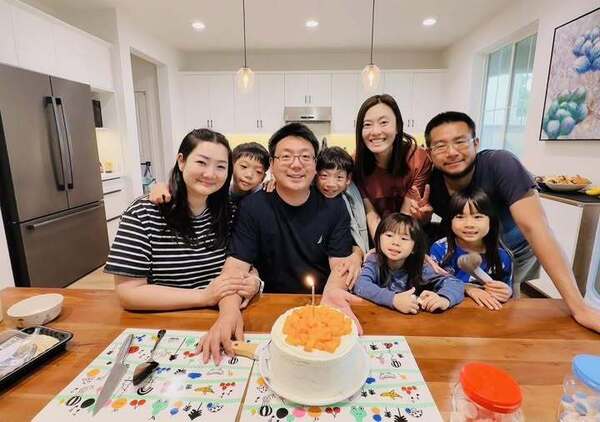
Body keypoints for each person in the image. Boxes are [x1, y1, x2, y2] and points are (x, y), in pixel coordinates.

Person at [198, 123, 364, 363]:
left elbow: (340, 263)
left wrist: (332, 294)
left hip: (320, 307)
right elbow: (236, 266)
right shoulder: (253, 207)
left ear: (315, 165)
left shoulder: (334, 206)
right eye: (286, 156)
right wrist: (228, 311)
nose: (296, 164)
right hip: (265, 306)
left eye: (305, 157)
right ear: (272, 165)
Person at [424, 111, 600, 332]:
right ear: (429, 153)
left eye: (460, 141)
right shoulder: (431, 182)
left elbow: (536, 228)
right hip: (464, 252)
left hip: (513, 252)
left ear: (476, 143)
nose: (451, 152)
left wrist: (579, 308)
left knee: (502, 306)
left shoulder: (501, 165)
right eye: (440, 146)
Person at [104, 129, 259, 311]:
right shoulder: (143, 213)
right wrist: (204, 296)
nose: (210, 174)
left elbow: (246, 265)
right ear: (181, 161)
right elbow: (128, 292)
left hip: (223, 313)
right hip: (165, 318)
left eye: (220, 166)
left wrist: (254, 281)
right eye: (201, 162)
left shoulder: (232, 212)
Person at [354, 94, 433, 239]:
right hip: (375, 236)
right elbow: (370, 214)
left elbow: (406, 214)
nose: (375, 131)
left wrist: (395, 244)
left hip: (407, 235)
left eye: (383, 122)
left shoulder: (418, 159)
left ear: (398, 126)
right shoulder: (355, 163)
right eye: (367, 124)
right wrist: (381, 245)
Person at [353, 213, 464, 313]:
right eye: (389, 235)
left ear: (414, 248)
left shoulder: (420, 265)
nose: (395, 242)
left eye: (404, 238)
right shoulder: (374, 260)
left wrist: (443, 299)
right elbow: (361, 285)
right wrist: (393, 299)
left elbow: (455, 283)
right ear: (378, 239)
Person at [430, 189, 513, 310]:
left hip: (487, 313)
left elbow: (508, 293)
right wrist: (467, 288)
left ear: (491, 220)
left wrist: (506, 292)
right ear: (450, 221)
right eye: (460, 217)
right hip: (448, 310)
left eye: (477, 217)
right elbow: (431, 283)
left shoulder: (503, 256)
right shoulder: (440, 249)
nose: (469, 224)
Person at [150, 141, 270, 205]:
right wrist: (162, 187)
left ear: (263, 177)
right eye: (243, 166)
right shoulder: (217, 189)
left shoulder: (263, 194)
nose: (249, 175)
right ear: (230, 166)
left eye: (258, 171)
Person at [316, 146, 369, 255]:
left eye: (339, 177)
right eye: (324, 176)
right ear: (315, 175)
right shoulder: (308, 197)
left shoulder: (348, 201)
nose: (331, 184)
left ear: (348, 179)